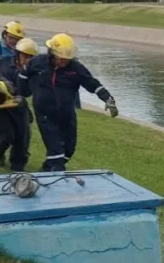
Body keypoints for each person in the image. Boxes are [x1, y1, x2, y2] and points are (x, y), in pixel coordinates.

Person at [19, 33, 118, 172]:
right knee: (56, 153)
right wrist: (22, 93)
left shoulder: (76, 68)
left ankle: (47, 169)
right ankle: (58, 180)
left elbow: (92, 83)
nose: (64, 61)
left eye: (67, 59)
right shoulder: (38, 62)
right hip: (45, 115)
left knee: (68, 150)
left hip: (67, 115)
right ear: (52, 53)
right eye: (62, 58)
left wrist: (107, 98)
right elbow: (23, 75)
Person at [0, 38, 38, 172]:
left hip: (18, 105)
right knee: (6, 134)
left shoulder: (33, 71)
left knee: (23, 137)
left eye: (31, 57)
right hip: (0, 105)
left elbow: (30, 90)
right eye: (25, 55)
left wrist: (21, 96)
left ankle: (18, 166)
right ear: (18, 53)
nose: (27, 59)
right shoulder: (2, 61)